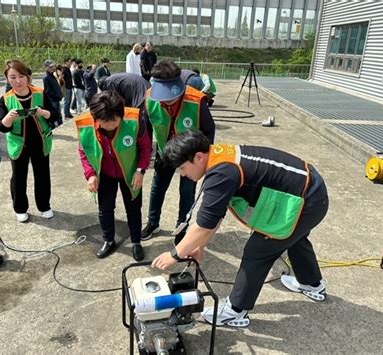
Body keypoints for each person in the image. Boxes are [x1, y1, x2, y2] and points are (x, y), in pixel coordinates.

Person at [152, 130, 329, 328]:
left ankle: (235, 311)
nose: (183, 174)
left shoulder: (221, 173)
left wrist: (175, 255)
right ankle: (312, 283)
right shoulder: (219, 157)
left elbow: (204, 225)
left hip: (309, 200)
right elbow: (215, 215)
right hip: (310, 190)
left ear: (199, 157)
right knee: (294, 237)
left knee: (258, 250)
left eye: (183, 168)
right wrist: (199, 245)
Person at [141, 60, 215, 245]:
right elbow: (147, 128)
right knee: (157, 188)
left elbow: (209, 130)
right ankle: (153, 222)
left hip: (190, 156)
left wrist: (202, 162)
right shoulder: (150, 99)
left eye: (171, 97)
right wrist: (151, 154)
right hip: (164, 152)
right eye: (163, 97)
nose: (167, 101)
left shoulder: (196, 100)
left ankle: (182, 227)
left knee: (187, 191)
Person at [75, 91, 152, 260]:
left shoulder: (135, 120)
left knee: (133, 208)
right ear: (95, 117)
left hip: (131, 173)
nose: (109, 126)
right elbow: (84, 152)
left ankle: (136, 242)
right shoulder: (85, 125)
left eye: (114, 121)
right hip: (105, 174)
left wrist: (141, 170)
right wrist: (90, 174)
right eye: (104, 122)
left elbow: (146, 147)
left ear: (121, 115)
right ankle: (108, 240)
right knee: (105, 209)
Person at [0, 60, 60, 222]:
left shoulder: (40, 93)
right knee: (18, 177)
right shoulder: (5, 99)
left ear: (27, 76)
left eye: (21, 76)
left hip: (40, 141)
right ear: (7, 78)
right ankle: (20, 208)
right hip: (18, 144)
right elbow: (1, 127)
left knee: (42, 175)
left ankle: (44, 206)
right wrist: (8, 118)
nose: (17, 81)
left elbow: (55, 115)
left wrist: (43, 113)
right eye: (12, 77)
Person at [43, 60, 63, 126]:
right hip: (52, 100)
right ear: (46, 67)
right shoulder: (46, 77)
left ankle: (60, 125)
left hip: (56, 99)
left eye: (53, 66)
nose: (52, 68)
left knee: (58, 114)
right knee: (54, 115)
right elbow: (48, 91)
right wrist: (56, 96)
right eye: (50, 67)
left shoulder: (51, 75)